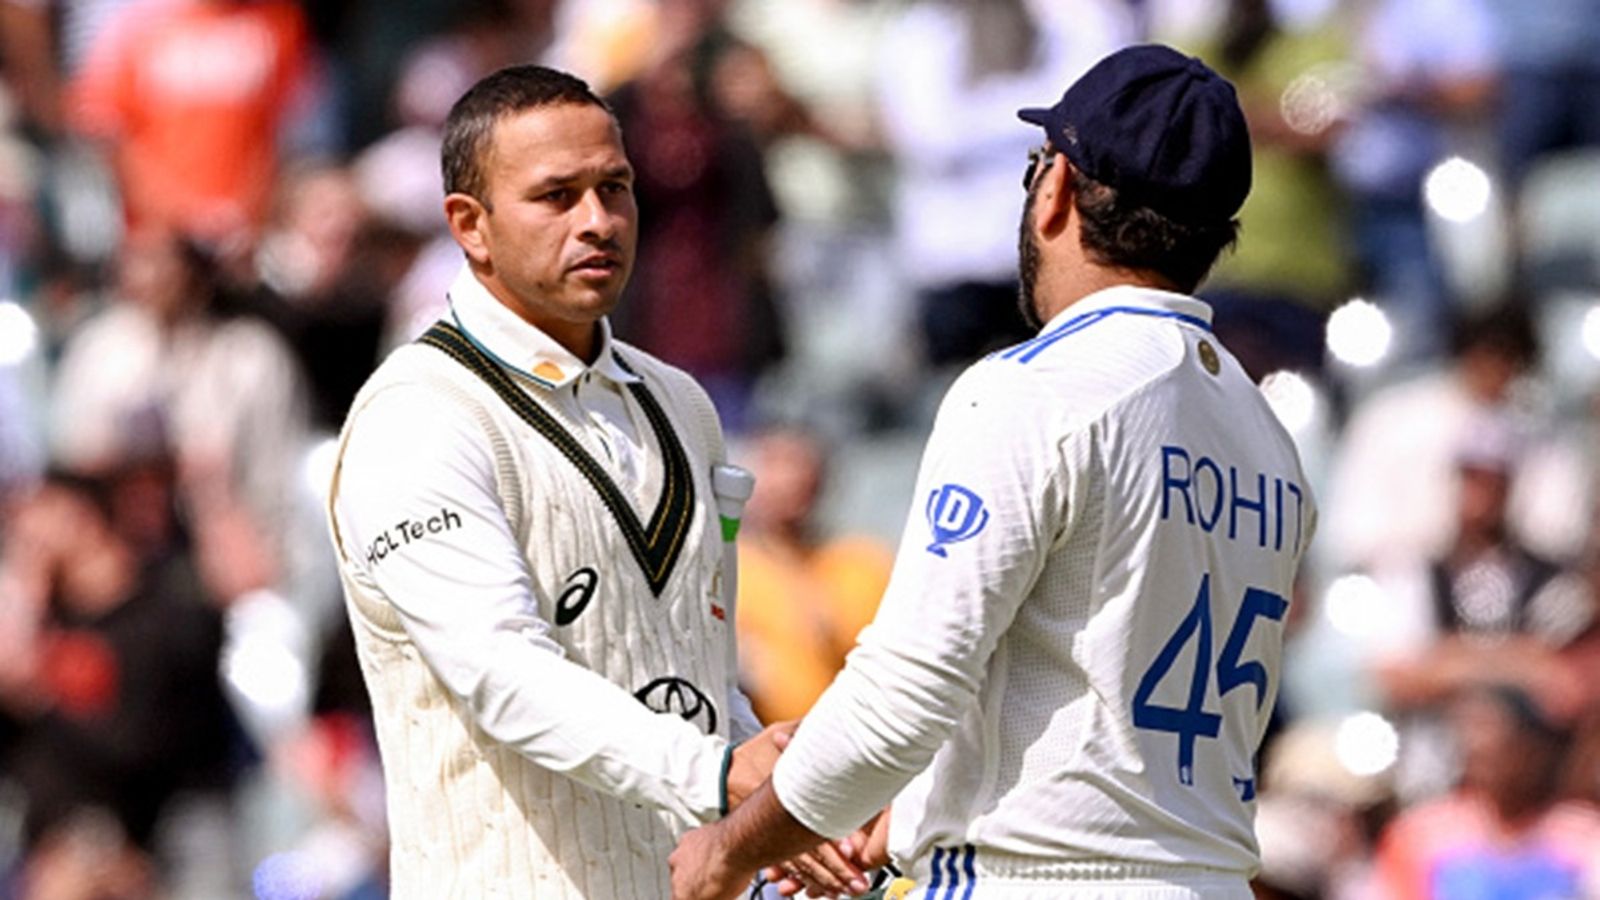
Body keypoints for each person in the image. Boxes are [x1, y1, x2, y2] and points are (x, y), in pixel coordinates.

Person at [670, 44, 1318, 899]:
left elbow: (901, 699)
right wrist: (917, 809)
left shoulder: (1034, 390)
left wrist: (729, 849)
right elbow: (1099, 709)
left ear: (1055, 188)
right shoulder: (1269, 437)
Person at [323, 64, 793, 899]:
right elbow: (503, 674)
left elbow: (704, 675)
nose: (599, 221)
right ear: (470, 225)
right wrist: (723, 775)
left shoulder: (680, 402)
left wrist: (773, 821)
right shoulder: (417, 417)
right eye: (557, 196)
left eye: (616, 187)